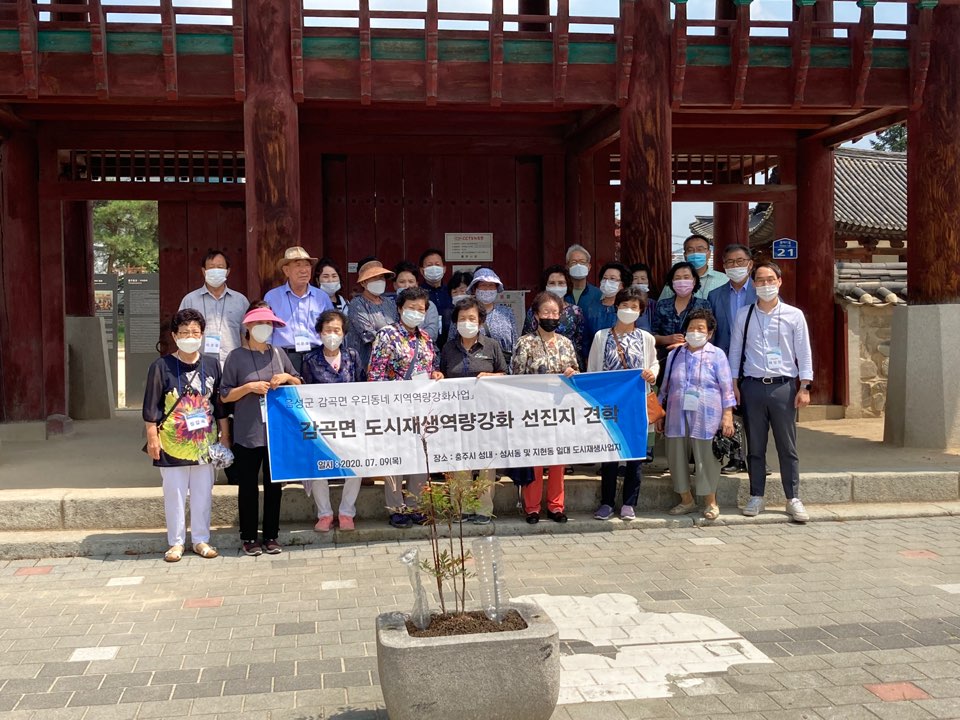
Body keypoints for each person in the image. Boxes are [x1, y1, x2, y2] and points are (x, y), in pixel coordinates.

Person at [728, 261, 813, 523]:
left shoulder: (793, 314)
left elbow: (803, 351)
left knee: (787, 445)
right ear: (754, 285)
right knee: (755, 445)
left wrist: (805, 386)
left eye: (770, 280)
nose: (765, 285)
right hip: (752, 385)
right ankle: (757, 495)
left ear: (779, 282)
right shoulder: (745, 314)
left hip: (783, 386)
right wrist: (733, 384)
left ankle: (793, 498)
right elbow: (735, 349)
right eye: (760, 281)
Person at [143, 308, 228, 562]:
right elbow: (151, 405)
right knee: (175, 492)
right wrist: (152, 437)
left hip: (204, 442)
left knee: (204, 492)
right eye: (184, 332)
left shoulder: (212, 364)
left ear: (202, 335)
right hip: (171, 442)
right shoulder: (161, 366)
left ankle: (201, 539)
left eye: (195, 332)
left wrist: (225, 435)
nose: (190, 336)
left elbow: (220, 404)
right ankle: (176, 542)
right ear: (174, 335)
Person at [221, 304, 302, 556]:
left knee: (274, 485)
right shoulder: (236, 357)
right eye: (259, 325)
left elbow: (299, 381)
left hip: (276, 431)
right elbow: (225, 395)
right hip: (248, 431)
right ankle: (248, 536)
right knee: (247, 486)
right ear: (248, 328)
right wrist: (249, 387)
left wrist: (286, 378)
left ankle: (271, 535)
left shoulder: (278, 354)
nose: (264, 330)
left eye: (269, 325)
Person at [368, 287, 444, 528]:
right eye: (411, 308)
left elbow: (430, 368)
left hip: (421, 409)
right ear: (400, 308)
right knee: (395, 458)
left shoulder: (426, 339)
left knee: (420, 459)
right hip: (394, 409)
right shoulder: (387, 335)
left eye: (421, 309)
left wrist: (436, 374)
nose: (416, 312)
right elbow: (376, 373)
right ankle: (396, 508)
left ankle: (416, 505)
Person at [586, 287, 658, 521]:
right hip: (609, 405)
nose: (628, 310)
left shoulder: (646, 338)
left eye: (634, 307)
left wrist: (652, 374)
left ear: (641, 311)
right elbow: (593, 371)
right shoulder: (602, 336)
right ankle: (606, 502)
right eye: (624, 305)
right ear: (616, 307)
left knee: (635, 456)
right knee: (609, 456)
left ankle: (629, 503)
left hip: (635, 405)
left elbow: (654, 364)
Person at [657, 308, 736, 521]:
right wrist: (660, 413)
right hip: (676, 414)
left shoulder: (717, 354)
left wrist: (727, 415)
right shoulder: (674, 355)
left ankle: (710, 501)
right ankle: (686, 500)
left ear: (709, 333)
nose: (695, 332)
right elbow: (664, 387)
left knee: (706, 458)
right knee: (676, 457)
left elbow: (726, 387)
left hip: (707, 415)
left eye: (700, 328)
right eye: (691, 328)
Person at [439, 296, 509, 524]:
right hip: (456, 416)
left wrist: (492, 376)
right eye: (462, 318)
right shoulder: (448, 348)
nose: (467, 322)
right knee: (460, 461)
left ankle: (483, 509)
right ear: (455, 323)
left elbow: (505, 375)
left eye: (472, 318)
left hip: (486, 415)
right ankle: (462, 508)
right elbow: (441, 375)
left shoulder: (492, 346)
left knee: (486, 462)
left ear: (480, 322)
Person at [512, 291, 579, 524]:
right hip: (533, 412)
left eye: (555, 312)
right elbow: (516, 378)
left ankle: (556, 506)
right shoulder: (525, 343)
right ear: (536, 315)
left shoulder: (566, 343)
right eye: (546, 312)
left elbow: (576, 375)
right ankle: (531, 508)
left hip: (560, 412)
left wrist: (573, 373)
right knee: (536, 460)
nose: (551, 316)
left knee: (558, 462)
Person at [301, 309, 364, 532]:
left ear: (344, 333)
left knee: (355, 466)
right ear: (319, 333)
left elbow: (361, 386)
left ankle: (347, 512)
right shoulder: (309, 359)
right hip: (321, 425)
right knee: (319, 467)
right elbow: (304, 394)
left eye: (336, 330)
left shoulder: (353, 356)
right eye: (327, 330)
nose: (332, 334)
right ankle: (325, 514)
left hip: (349, 423)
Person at [708, 244, 757, 475]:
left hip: (756, 362)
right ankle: (736, 458)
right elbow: (713, 331)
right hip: (725, 360)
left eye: (740, 261)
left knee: (755, 412)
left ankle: (758, 458)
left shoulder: (762, 291)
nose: (735, 266)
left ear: (750, 263)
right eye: (730, 262)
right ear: (724, 266)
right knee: (732, 409)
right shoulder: (715, 295)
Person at [263, 246, 333, 374]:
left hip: (317, 355)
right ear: (286, 270)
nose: (304, 270)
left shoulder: (321, 297)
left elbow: (331, 328)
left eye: (307, 265)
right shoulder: (272, 297)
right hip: (284, 356)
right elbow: (267, 332)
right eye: (298, 265)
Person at [178, 250, 249, 367]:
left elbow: (246, 335)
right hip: (199, 365)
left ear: (228, 271)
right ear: (203, 271)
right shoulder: (190, 300)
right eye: (211, 267)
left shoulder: (240, 301)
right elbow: (181, 333)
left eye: (220, 267)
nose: (216, 270)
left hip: (233, 365)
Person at [447, 267, 517, 365]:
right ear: (474, 289)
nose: (487, 289)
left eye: (491, 285)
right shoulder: (462, 312)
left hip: (504, 368)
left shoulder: (506, 312)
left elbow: (514, 343)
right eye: (483, 285)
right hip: (470, 367)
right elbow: (451, 343)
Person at [652, 262, 711, 371]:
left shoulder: (703, 305)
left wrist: (686, 345)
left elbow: (709, 334)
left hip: (696, 361)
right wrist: (667, 339)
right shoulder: (662, 305)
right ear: (672, 282)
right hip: (665, 362)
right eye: (677, 278)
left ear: (694, 280)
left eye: (686, 277)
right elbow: (652, 336)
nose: (682, 281)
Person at [523, 264, 585, 367]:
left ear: (567, 285)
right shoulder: (534, 311)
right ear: (545, 286)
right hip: (539, 364)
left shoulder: (576, 312)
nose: (556, 286)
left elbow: (579, 341)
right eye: (552, 283)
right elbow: (527, 335)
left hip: (568, 364)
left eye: (561, 283)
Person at [346, 260, 397, 371]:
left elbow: (397, 326)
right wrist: (394, 341)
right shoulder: (357, 304)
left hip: (390, 360)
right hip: (365, 360)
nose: (380, 281)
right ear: (364, 283)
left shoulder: (390, 303)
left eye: (382, 278)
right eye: (375, 278)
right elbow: (367, 334)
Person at [582, 262, 631, 358]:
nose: (607, 282)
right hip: (596, 359)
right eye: (604, 278)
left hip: (622, 359)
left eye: (612, 279)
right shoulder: (592, 308)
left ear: (622, 284)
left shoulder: (628, 308)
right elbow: (586, 339)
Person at [659, 235, 729, 301]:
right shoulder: (675, 281)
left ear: (709, 253)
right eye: (690, 250)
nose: (695, 253)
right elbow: (661, 307)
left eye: (700, 249)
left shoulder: (723, 279)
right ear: (685, 255)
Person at [393, 261, 441, 342]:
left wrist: (408, 340)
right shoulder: (389, 304)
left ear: (416, 284)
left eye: (411, 281)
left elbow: (432, 334)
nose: (407, 286)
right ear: (395, 285)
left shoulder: (429, 305)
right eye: (402, 282)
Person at [419, 248, 453, 327]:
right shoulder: (417, 294)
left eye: (437, 265)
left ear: (444, 269)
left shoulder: (451, 291)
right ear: (422, 270)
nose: (434, 268)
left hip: (450, 337)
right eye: (429, 265)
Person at [564, 243, 602, 312]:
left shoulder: (598, 294)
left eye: (582, 262)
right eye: (574, 262)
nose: (578, 265)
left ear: (589, 267)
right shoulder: (562, 292)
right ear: (567, 266)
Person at [629, 262, 656, 331]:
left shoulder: (654, 304)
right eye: (635, 278)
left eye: (643, 278)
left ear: (648, 281)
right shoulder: (625, 304)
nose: (639, 282)